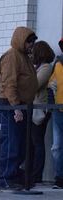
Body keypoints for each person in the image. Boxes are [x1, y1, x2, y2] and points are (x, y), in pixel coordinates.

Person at [0, 26, 38, 191]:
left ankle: (14, 174)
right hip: (11, 104)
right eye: (29, 42)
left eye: (32, 43)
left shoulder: (24, 57)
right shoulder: (12, 56)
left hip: (22, 104)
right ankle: (6, 177)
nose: (31, 46)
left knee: (21, 144)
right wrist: (16, 107)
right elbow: (9, 83)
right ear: (21, 40)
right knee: (11, 143)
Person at [30, 41, 55, 184]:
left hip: (40, 109)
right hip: (33, 108)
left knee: (37, 142)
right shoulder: (37, 67)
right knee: (32, 142)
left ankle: (36, 174)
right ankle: (31, 172)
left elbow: (35, 84)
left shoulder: (46, 67)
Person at [49, 41, 63, 189]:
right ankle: (59, 178)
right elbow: (50, 85)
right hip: (58, 110)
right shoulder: (57, 64)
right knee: (57, 146)